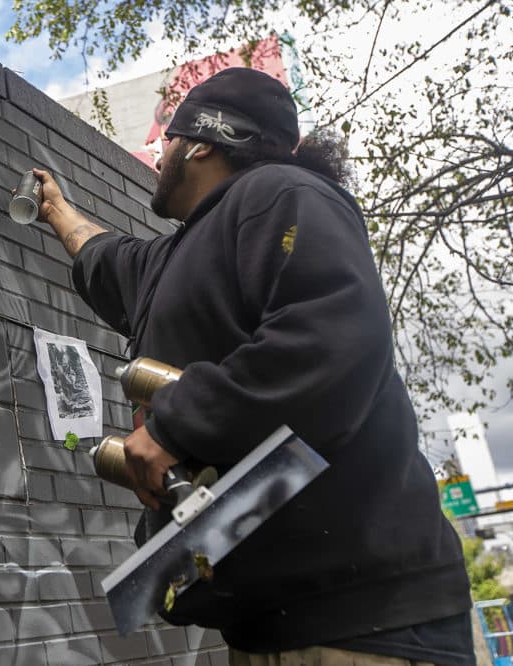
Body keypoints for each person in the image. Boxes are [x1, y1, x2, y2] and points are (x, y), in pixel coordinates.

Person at [30, 67, 474, 664]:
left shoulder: (283, 194)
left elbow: (329, 340)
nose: (158, 154)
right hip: (267, 626)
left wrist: (174, 426)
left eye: (168, 139)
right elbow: (108, 260)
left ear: (202, 140)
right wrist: (57, 210)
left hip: (365, 625)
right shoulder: (174, 259)